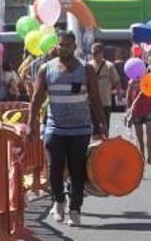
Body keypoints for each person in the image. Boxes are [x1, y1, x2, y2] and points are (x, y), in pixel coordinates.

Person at [27, 30, 107, 226]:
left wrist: (102, 124)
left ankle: (75, 209)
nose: (64, 48)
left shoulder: (86, 70)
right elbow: (36, 100)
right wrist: (31, 125)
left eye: (68, 45)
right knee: (54, 169)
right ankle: (59, 202)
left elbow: (95, 99)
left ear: (75, 47)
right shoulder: (46, 69)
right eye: (61, 45)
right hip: (55, 128)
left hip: (80, 129)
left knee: (77, 170)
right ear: (57, 46)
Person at [125, 70, 151, 164]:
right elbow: (128, 97)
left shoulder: (149, 80)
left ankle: (149, 156)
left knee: (149, 132)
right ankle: (142, 155)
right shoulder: (132, 81)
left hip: (150, 109)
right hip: (137, 110)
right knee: (139, 135)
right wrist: (128, 110)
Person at [88, 42, 121, 132]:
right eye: (93, 53)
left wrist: (119, 94)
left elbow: (116, 81)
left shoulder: (109, 66)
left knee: (105, 127)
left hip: (105, 102)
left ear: (102, 53)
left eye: (96, 53)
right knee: (94, 129)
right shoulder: (88, 66)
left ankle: (105, 144)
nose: (94, 55)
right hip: (92, 103)